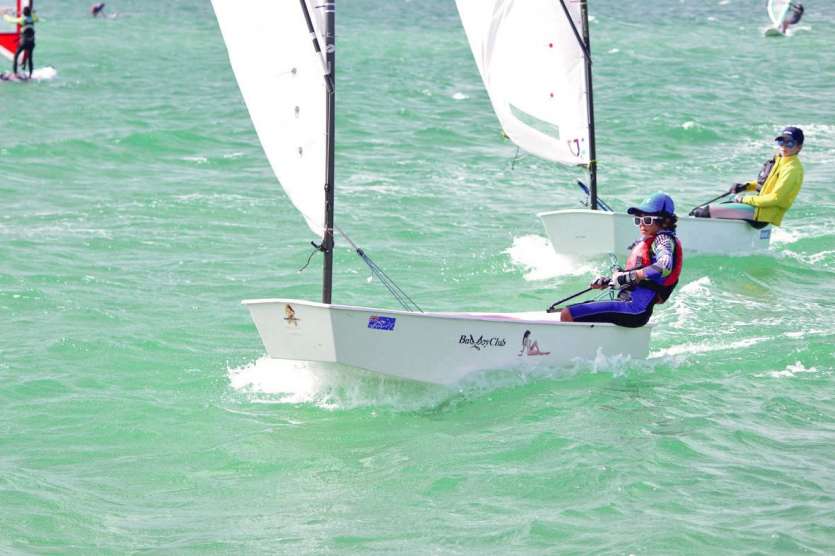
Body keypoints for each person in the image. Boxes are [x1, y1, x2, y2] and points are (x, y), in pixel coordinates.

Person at [558, 192, 683, 328]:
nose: (641, 224)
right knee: (573, 310)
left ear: (664, 221)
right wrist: (608, 281)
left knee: (567, 313)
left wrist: (629, 276)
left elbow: (664, 266)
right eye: (638, 220)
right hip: (630, 306)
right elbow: (638, 279)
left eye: (647, 220)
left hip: (634, 309)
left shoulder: (663, 240)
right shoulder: (651, 241)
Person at [691, 127, 804, 227]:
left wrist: (744, 199)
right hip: (758, 210)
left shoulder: (792, 169)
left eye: (790, 143)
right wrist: (746, 186)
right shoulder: (780, 159)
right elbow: (766, 183)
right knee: (717, 207)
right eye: (781, 142)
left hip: (761, 215)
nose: (784, 146)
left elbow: (775, 198)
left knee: (702, 212)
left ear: (799, 147)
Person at [3, 5, 38, 78]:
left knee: (16, 56)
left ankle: (15, 73)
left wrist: (4, 15)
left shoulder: (22, 20)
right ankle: (30, 75)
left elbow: (11, 20)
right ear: (29, 13)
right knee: (30, 58)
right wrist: (33, 13)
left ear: (24, 13)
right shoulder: (33, 18)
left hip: (23, 42)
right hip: (31, 42)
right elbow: (36, 18)